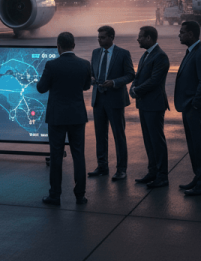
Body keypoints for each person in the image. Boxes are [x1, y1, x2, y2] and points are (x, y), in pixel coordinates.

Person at [36, 31, 92, 205]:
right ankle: (80, 195)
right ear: (73, 46)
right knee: (78, 155)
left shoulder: (51, 65)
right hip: (77, 116)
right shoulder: (84, 64)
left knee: (56, 156)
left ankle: (55, 195)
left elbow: (41, 88)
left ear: (58, 46)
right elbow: (86, 86)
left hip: (57, 117)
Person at [88, 25, 135, 181]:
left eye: (102, 37)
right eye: (98, 37)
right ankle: (102, 166)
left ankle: (121, 169)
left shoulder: (123, 54)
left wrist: (114, 82)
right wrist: (92, 79)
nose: (99, 40)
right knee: (100, 136)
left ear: (111, 37)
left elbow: (130, 75)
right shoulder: (95, 53)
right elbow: (91, 73)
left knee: (118, 135)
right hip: (98, 99)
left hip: (115, 99)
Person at [174, 21, 201, 196]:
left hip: (196, 107)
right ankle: (198, 177)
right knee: (193, 145)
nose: (179, 35)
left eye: (182, 32)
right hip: (188, 106)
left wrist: (196, 103)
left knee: (200, 146)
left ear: (191, 34)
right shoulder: (192, 51)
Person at [130, 26, 170, 188]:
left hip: (154, 105)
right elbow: (138, 76)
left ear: (149, 38)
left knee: (157, 141)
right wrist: (133, 87)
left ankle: (162, 176)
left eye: (140, 37)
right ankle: (152, 171)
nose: (138, 39)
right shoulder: (146, 55)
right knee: (148, 140)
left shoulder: (160, 56)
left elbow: (155, 81)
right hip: (145, 104)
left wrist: (136, 90)